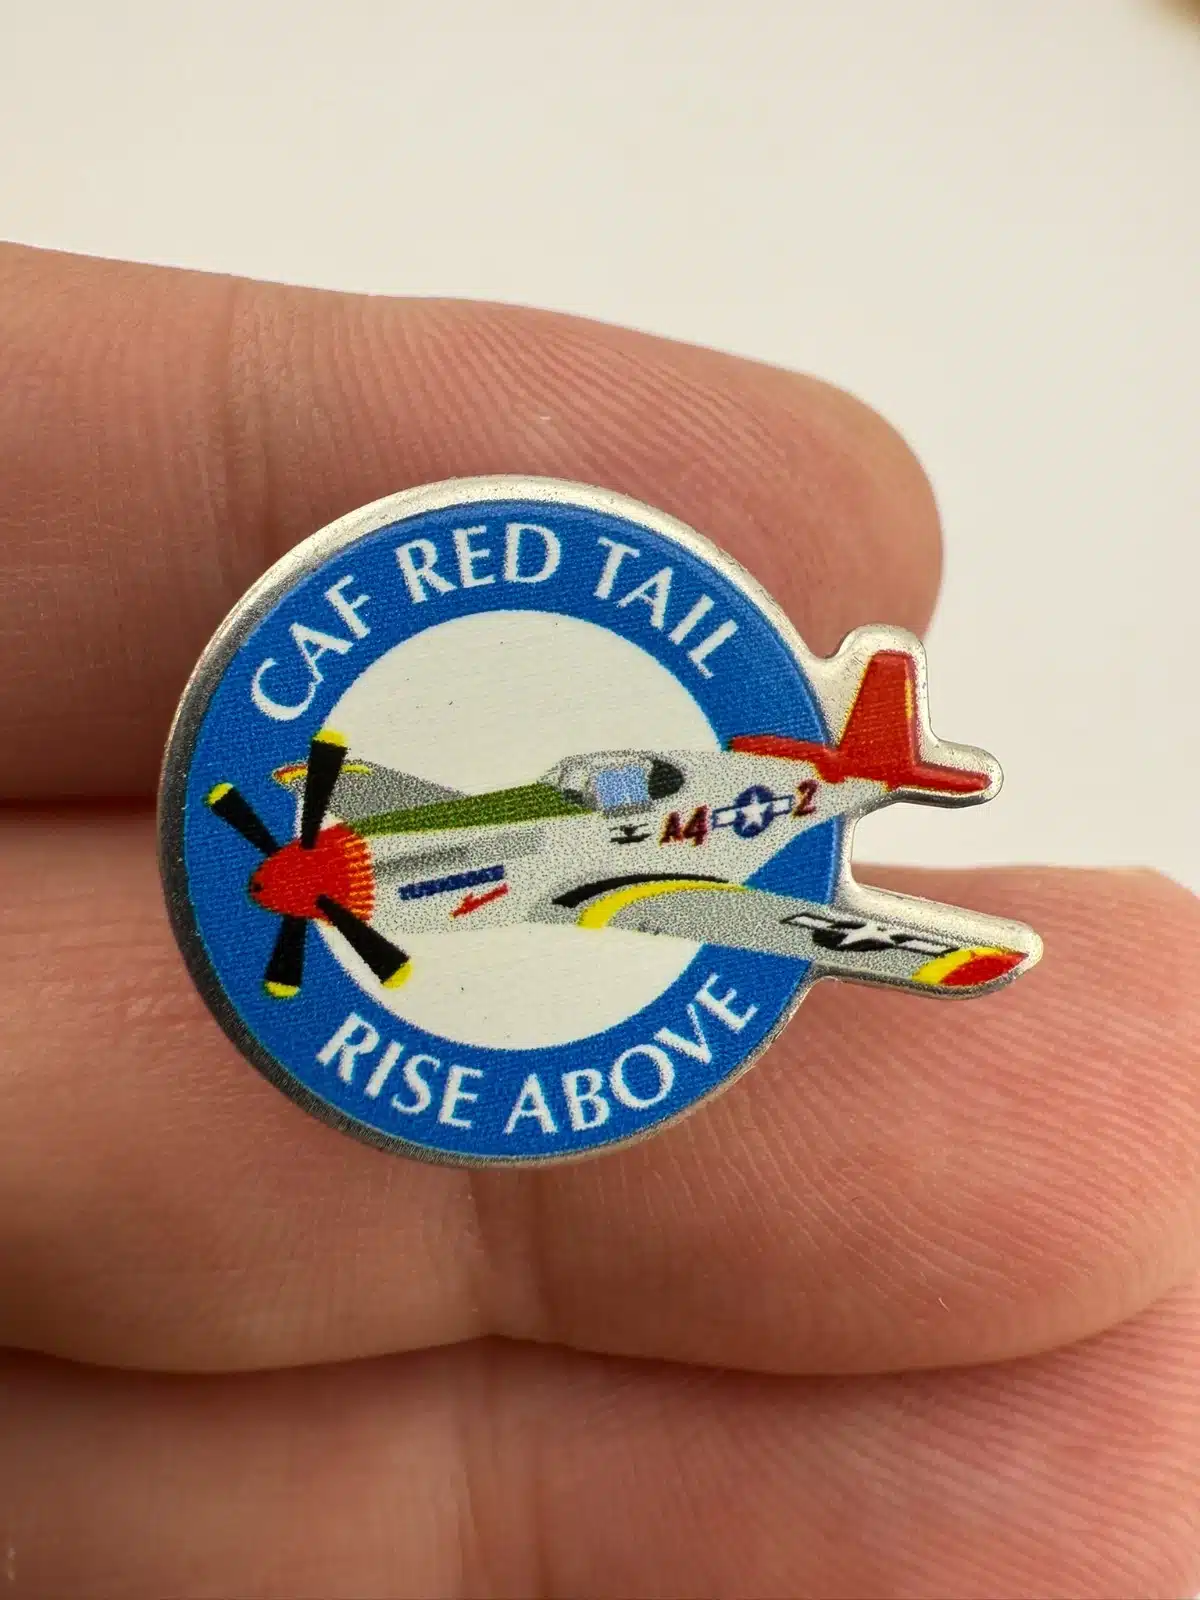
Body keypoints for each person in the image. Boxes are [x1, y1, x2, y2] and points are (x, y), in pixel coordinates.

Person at [1, 242, 1198, 1600]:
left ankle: (879, 759)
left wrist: (929, 945)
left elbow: (791, 931)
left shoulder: (615, 885)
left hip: (684, 829)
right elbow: (316, 780)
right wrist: (322, 856)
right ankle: (874, 752)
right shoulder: (434, 815)